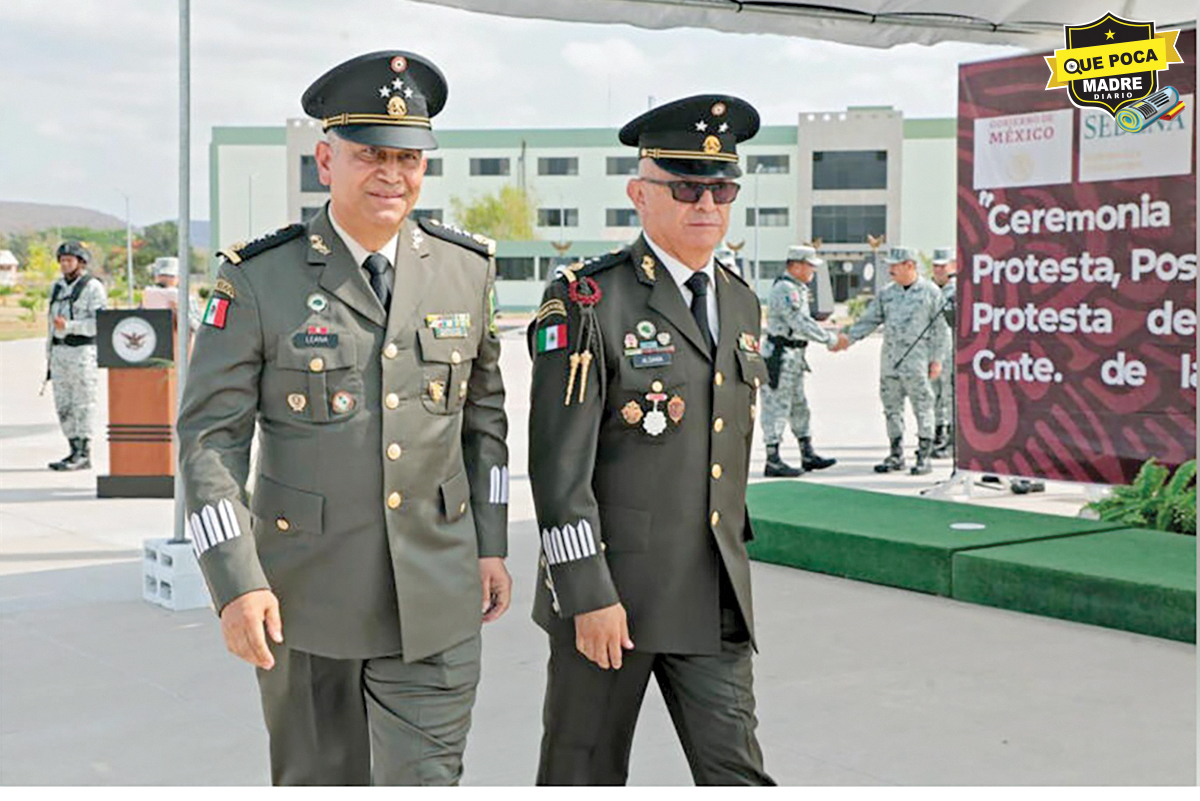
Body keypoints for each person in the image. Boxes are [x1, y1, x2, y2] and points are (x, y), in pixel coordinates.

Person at [176, 50, 511, 786]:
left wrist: (491, 542)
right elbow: (208, 441)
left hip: (437, 590)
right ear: (325, 160)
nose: (391, 174)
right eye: (369, 155)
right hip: (305, 601)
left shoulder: (467, 268)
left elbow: (484, 421)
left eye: (407, 157)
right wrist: (234, 578)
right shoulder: (259, 278)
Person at [527, 94, 774, 786]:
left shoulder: (742, 299)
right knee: (583, 773)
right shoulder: (587, 301)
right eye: (686, 187)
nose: (707, 204)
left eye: (722, 188)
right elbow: (557, 469)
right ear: (640, 193)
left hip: (709, 591)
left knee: (737, 771)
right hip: (612, 598)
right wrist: (585, 593)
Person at [839, 246, 947, 476]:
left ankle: (924, 455)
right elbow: (870, 319)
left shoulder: (930, 292)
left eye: (894, 265)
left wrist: (937, 360)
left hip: (918, 362)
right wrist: (848, 338)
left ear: (910, 265)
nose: (890, 270)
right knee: (891, 409)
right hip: (890, 362)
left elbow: (941, 330)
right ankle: (896, 454)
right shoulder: (887, 293)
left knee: (923, 408)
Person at [760, 244, 844, 477]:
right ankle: (773, 459)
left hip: (794, 357)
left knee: (799, 406)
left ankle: (807, 453)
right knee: (776, 407)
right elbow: (799, 322)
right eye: (809, 266)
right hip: (780, 356)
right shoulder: (786, 289)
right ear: (795, 265)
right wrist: (829, 339)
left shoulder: (796, 287)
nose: (812, 272)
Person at [45, 241, 106, 471]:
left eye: (69, 260)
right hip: (59, 353)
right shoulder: (57, 287)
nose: (64, 264)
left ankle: (84, 452)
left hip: (82, 353)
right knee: (64, 404)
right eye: (61, 260)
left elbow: (99, 324)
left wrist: (70, 326)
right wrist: (49, 354)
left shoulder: (92, 288)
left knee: (83, 404)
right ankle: (72, 449)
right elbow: (50, 325)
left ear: (81, 262)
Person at [929, 247, 957, 458]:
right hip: (932, 351)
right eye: (936, 266)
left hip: (951, 351)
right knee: (935, 395)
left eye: (943, 266)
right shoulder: (929, 289)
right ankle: (938, 434)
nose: (939, 269)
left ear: (953, 266)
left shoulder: (957, 290)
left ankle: (952, 440)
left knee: (949, 395)